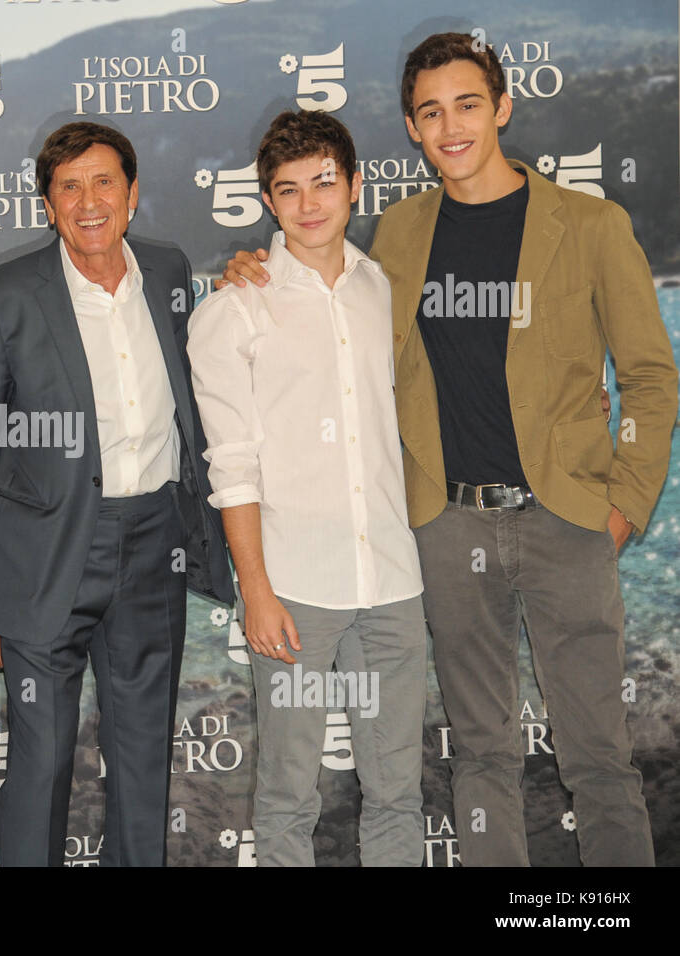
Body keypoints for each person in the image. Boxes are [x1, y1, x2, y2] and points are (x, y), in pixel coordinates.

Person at [223, 33, 677, 866]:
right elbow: (324, 294)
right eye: (431, 112)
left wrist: (623, 506)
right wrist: (253, 265)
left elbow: (650, 376)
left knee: (600, 760)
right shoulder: (400, 234)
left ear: (501, 108)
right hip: (447, 527)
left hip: (568, 524)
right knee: (481, 753)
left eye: (468, 103)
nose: (451, 124)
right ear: (412, 128)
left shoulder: (590, 224)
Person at [0, 121, 234, 867]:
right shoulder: (0, 299)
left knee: (145, 759)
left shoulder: (170, 271)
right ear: (47, 203)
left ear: (133, 193)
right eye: (68, 186)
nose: (88, 202)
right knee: (40, 764)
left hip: (154, 544)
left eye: (104, 181)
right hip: (43, 558)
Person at [188, 111, 426, 866]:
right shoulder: (234, 311)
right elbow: (233, 465)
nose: (309, 202)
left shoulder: (386, 291)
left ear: (355, 186)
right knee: (289, 798)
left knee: (398, 790)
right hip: (294, 591)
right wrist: (255, 588)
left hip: (393, 579)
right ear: (269, 201)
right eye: (288, 190)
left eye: (324, 181)